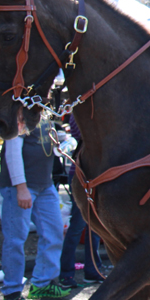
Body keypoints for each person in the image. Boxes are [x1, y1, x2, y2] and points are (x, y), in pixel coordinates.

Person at [0, 118, 71, 300]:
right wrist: (21, 187)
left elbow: (51, 149)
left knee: (54, 232)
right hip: (21, 186)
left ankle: (43, 283)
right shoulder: (20, 114)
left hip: (45, 184)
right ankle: (12, 290)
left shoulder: (44, 115)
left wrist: (62, 143)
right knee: (16, 237)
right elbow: (13, 153)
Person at [58, 116, 105, 289]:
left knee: (95, 226)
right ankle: (66, 273)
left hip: (96, 172)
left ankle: (93, 271)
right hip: (81, 172)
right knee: (78, 224)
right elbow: (87, 136)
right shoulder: (78, 113)